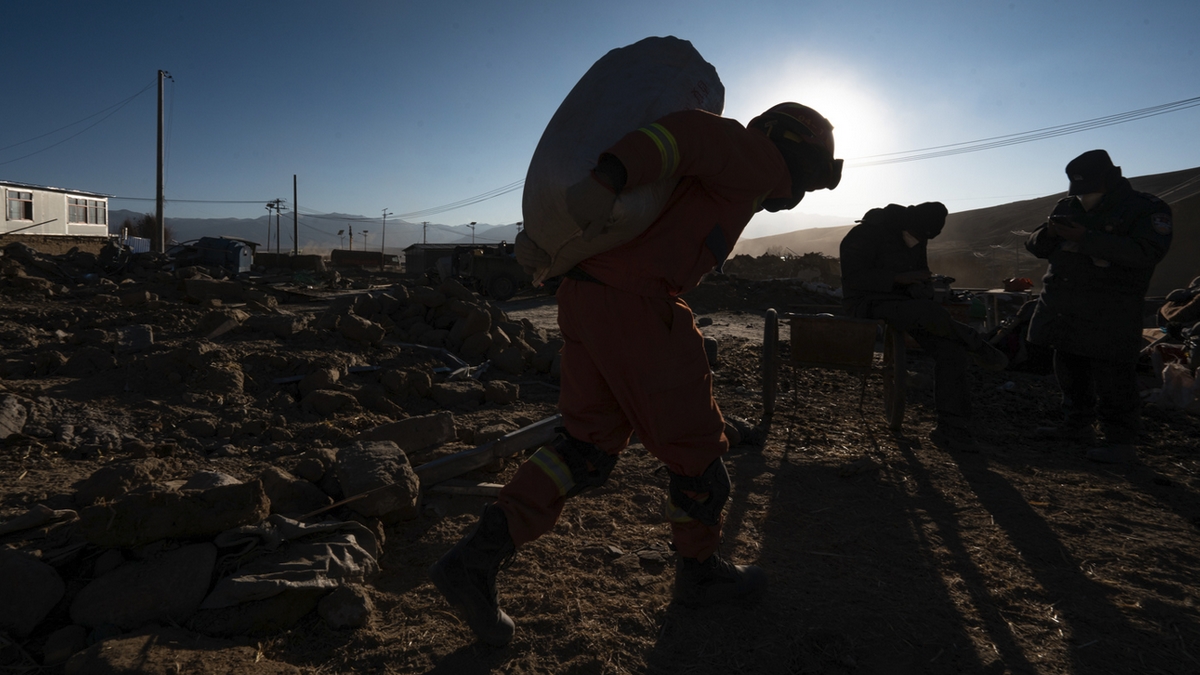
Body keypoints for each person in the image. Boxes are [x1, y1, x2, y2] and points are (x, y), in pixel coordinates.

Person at [429, 103, 843, 646]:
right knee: (698, 454)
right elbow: (689, 132)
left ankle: (474, 559)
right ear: (797, 149)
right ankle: (699, 574)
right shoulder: (758, 156)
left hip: (588, 296)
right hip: (639, 305)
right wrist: (613, 173)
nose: (802, 193)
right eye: (812, 178)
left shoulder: (731, 176)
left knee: (585, 448)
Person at [1025, 149, 1173, 464]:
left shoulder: (1145, 208)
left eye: (1089, 189)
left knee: (1114, 377)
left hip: (1110, 310)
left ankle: (1120, 442)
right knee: (1069, 369)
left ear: (1109, 179)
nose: (1084, 196)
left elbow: (1147, 252)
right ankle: (1076, 426)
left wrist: (1087, 237)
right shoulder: (1068, 205)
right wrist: (1048, 232)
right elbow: (1035, 245)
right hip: (1064, 305)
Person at [839, 202, 1010, 453]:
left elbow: (919, 273)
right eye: (919, 236)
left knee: (952, 351)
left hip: (908, 304)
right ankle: (975, 342)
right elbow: (852, 278)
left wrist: (922, 286)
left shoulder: (918, 235)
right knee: (930, 313)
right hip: (868, 302)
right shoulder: (866, 233)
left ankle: (952, 428)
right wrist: (896, 278)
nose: (920, 241)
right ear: (907, 224)